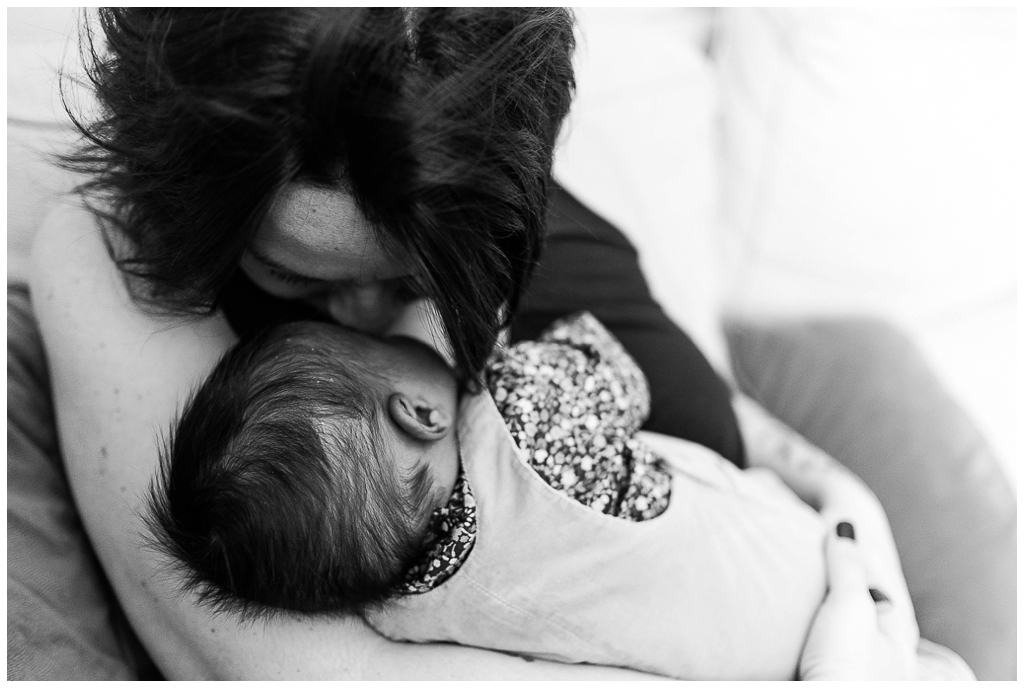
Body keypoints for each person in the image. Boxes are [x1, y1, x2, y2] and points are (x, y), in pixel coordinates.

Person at [28, 7, 943, 680]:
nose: (364, 311)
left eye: (417, 276)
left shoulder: (477, 185)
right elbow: (290, 673)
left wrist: (858, 556)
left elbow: (746, 445)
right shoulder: (111, 257)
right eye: (298, 276)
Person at [147, 312, 972, 680]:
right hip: (809, 570)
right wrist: (501, 340)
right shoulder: (518, 412)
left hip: (761, 664)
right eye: (379, 341)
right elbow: (617, 375)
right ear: (419, 411)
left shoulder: (403, 615)